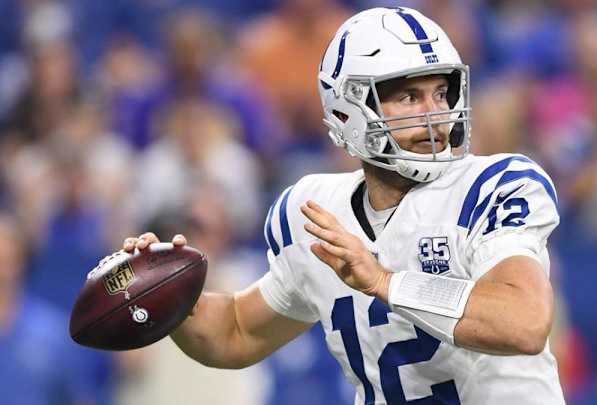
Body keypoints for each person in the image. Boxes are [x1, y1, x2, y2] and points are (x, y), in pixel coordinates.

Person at [122, 7, 565, 404]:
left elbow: (524, 322)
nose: (434, 114)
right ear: (347, 111)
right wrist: (166, 295)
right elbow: (235, 333)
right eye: (409, 97)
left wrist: (386, 282)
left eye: (441, 92)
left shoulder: (493, 186)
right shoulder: (316, 213)